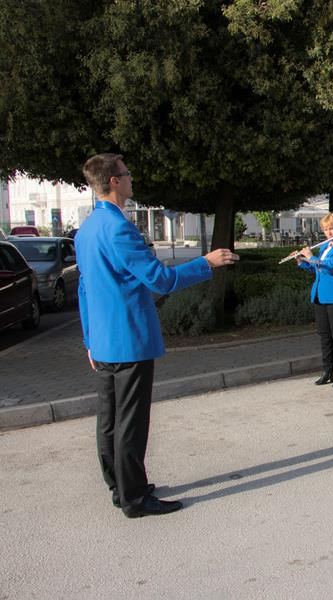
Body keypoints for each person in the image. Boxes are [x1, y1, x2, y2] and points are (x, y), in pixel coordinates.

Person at [77, 153, 238, 518]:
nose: (131, 178)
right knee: (131, 423)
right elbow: (160, 280)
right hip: (128, 339)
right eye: (126, 173)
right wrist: (206, 263)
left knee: (109, 419)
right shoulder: (118, 228)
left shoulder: (87, 228)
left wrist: (88, 340)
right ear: (114, 181)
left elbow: (84, 289)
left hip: (102, 341)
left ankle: (119, 487)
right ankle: (134, 498)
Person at [297, 212, 333, 388]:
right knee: (324, 336)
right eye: (326, 229)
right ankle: (327, 371)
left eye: (332, 228)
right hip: (320, 295)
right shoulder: (325, 247)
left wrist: (311, 257)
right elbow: (318, 270)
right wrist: (302, 262)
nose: (329, 232)